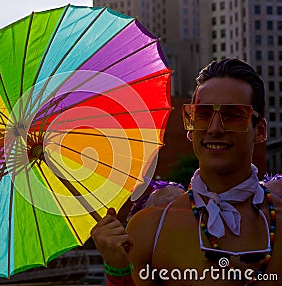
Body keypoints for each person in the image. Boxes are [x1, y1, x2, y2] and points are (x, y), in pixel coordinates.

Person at [91, 58, 282, 285]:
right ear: (191, 126)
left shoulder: (276, 217)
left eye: (232, 116)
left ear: (259, 131)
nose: (214, 128)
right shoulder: (150, 229)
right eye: (202, 115)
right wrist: (117, 270)